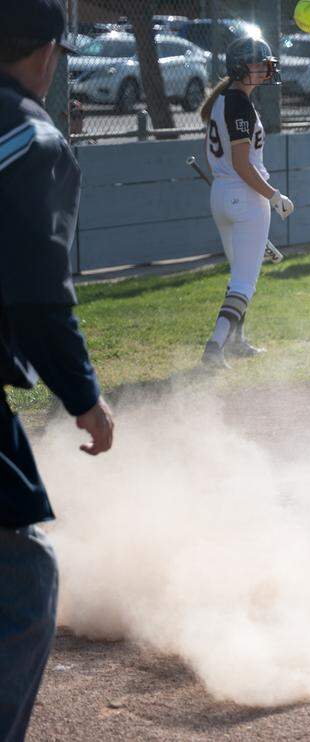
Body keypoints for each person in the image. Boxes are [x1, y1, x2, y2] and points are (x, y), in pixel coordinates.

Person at [0, 1, 115, 737]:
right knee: (23, 577)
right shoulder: (32, 139)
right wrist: (85, 399)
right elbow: (39, 293)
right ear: (47, 55)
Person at [199, 36, 295, 368]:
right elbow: (243, 164)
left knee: (239, 275)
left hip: (223, 197)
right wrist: (274, 196)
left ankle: (236, 341)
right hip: (245, 196)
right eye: (260, 63)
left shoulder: (227, 101)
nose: (268, 68)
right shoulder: (237, 102)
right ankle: (215, 345)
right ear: (243, 67)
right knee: (244, 281)